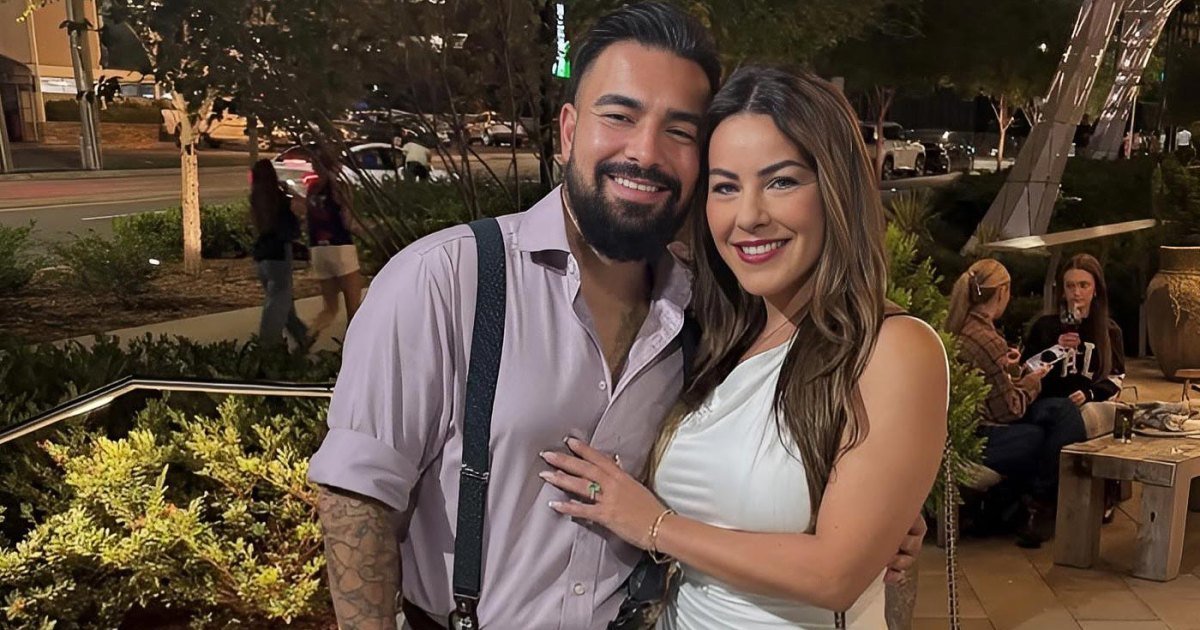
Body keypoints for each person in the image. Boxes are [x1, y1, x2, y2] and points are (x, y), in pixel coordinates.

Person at [307, 4, 924, 629]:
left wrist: (871, 514)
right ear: (569, 129)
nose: (646, 152)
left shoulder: (709, 311)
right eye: (620, 116)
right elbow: (356, 499)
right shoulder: (445, 280)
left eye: (679, 131)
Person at [540, 66, 948, 629]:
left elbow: (835, 575)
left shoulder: (892, 349)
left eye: (781, 182)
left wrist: (653, 525)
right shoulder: (717, 335)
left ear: (837, 190)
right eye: (725, 187)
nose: (749, 217)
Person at [948, 259, 1085, 548]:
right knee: (1042, 434)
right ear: (1002, 292)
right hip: (979, 435)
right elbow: (1009, 410)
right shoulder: (986, 339)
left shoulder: (961, 326)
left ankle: (1024, 507)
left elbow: (989, 387)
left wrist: (1010, 371)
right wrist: (1032, 382)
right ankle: (1037, 506)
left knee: (1061, 411)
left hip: (971, 425)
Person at [1023, 254, 1125, 408]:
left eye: (1083, 285)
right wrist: (1056, 349)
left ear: (1095, 289)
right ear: (1063, 291)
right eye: (1070, 286)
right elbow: (1026, 371)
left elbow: (1116, 377)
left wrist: (1089, 394)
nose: (1076, 292)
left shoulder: (1109, 331)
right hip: (1049, 406)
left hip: (1090, 407)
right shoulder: (1045, 326)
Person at [249, 158, 308, 347]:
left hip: (263, 253)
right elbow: (303, 206)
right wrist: (287, 190)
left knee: (283, 299)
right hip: (280, 252)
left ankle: (302, 335)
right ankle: (269, 342)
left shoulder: (256, 199)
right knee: (279, 299)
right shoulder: (279, 198)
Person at [305, 148, 365, 333]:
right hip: (341, 247)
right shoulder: (340, 187)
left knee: (330, 309)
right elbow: (347, 221)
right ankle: (353, 346)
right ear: (336, 165)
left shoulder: (312, 189)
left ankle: (306, 340)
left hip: (318, 250)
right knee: (354, 309)